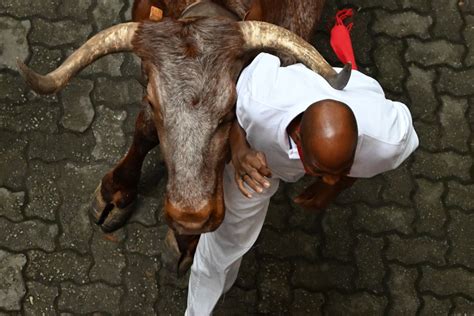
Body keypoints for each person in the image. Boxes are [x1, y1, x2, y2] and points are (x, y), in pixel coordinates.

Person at [185, 52, 419, 315]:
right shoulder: (261, 100)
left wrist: (335, 187)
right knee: (221, 246)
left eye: (342, 167)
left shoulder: (388, 140)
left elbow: (405, 132)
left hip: (353, 99)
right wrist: (239, 152)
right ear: (298, 137)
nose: (330, 178)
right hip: (258, 160)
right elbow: (230, 105)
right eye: (320, 170)